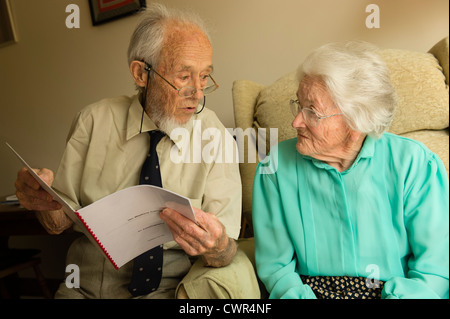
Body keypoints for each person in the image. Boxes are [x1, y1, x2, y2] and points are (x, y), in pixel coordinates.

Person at [14, 3, 259, 299]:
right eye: (184, 77)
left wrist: (217, 246)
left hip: (169, 289)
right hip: (85, 286)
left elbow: (226, 251)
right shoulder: (93, 121)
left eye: (205, 77)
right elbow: (58, 223)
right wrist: (42, 199)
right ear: (141, 73)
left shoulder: (215, 137)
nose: (198, 93)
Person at [252, 41, 449, 299]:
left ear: (357, 119)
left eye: (311, 111)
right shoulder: (275, 167)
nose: (296, 121)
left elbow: (434, 271)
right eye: (299, 105)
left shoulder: (415, 164)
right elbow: (276, 268)